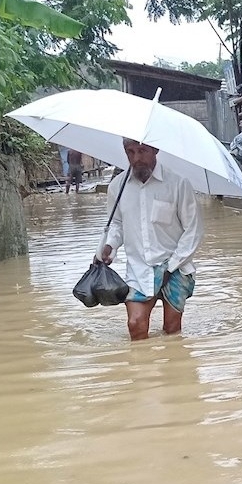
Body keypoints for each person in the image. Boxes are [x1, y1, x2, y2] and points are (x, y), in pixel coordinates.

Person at [100, 139, 204, 341]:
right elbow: (116, 225)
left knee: (172, 329)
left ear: (155, 149)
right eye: (130, 152)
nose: (136, 158)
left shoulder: (178, 184)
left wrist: (171, 265)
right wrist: (109, 247)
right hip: (139, 268)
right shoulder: (117, 187)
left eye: (142, 151)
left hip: (175, 268)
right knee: (135, 325)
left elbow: (194, 230)